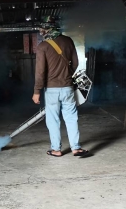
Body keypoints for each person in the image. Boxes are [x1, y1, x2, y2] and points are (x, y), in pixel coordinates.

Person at [32, 17, 89, 157]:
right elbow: (75, 63)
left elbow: (40, 71)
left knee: (53, 119)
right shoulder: (68, 41)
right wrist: (67, 75)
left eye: (42, 29)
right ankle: (76, 148)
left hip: (51, 89)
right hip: (68, 87)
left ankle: (56, 149)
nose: (41, 32)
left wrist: (37, 91)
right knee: (71, 117)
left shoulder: (43, 46)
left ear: (46, 29)